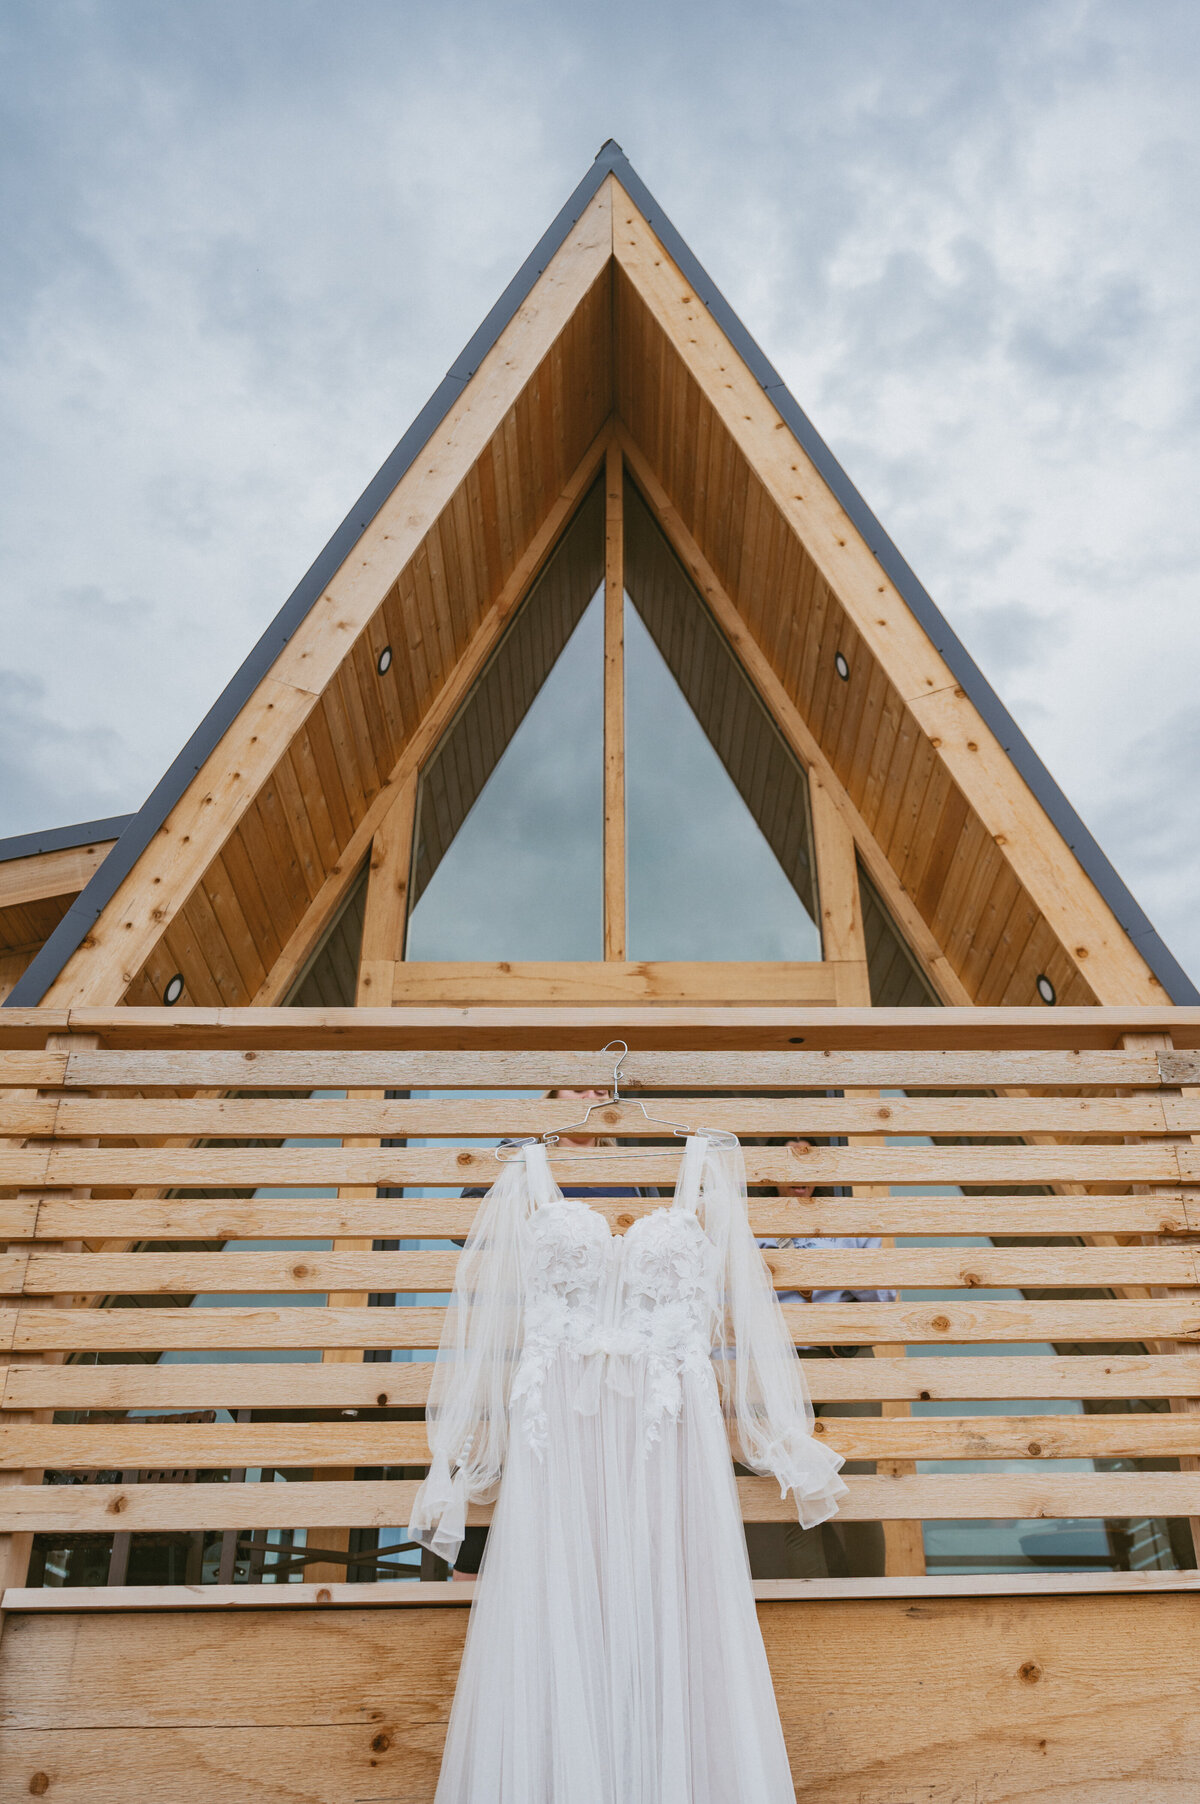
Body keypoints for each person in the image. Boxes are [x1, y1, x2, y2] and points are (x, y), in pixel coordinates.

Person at [447, 1086, 650, 1580]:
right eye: (580, 1089)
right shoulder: (521, 1155)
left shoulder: (635, 1173)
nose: (593, 1096)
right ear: (554, 1097)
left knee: (594, 1471)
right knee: (508, 1454)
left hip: (608, 1344)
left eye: (602, 1091)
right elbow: (466, 1230)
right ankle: (476, 1590)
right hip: (530, 1333)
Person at [744, 1138, 895, 1579]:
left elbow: (884, 1298)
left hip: (845, 1365)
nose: (799, 1175)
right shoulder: (748, 1223)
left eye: (809, 1159)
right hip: (773, 1371)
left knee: (854, 1484)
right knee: (787, 1488)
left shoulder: (850, 1222)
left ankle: (868, 1594)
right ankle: (810, 1594)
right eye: (788, 1160)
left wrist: (827, 1266)